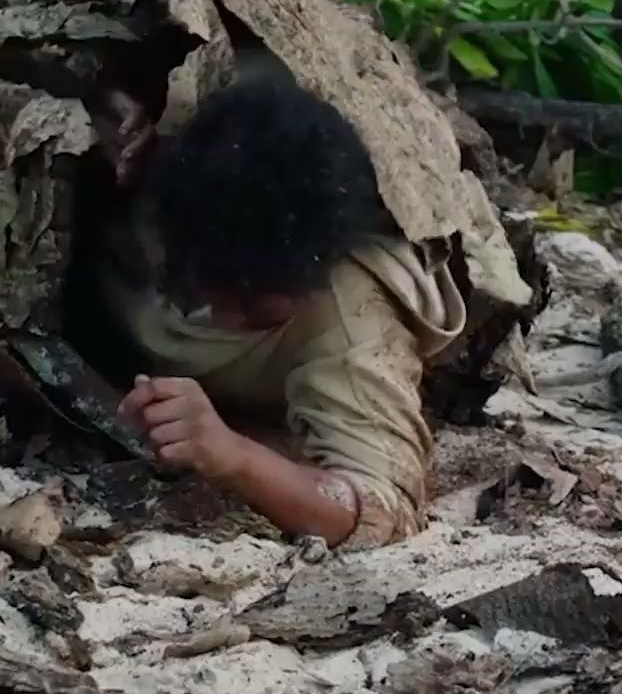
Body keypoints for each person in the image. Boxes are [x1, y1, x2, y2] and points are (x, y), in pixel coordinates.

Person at [91, 55, 468, 551]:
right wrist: (102, 105)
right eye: (210, 289)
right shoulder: (169, 172)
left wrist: (232, 455)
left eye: (255, 312)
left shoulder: (353, 314)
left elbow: (382, 508)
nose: (225, 318)